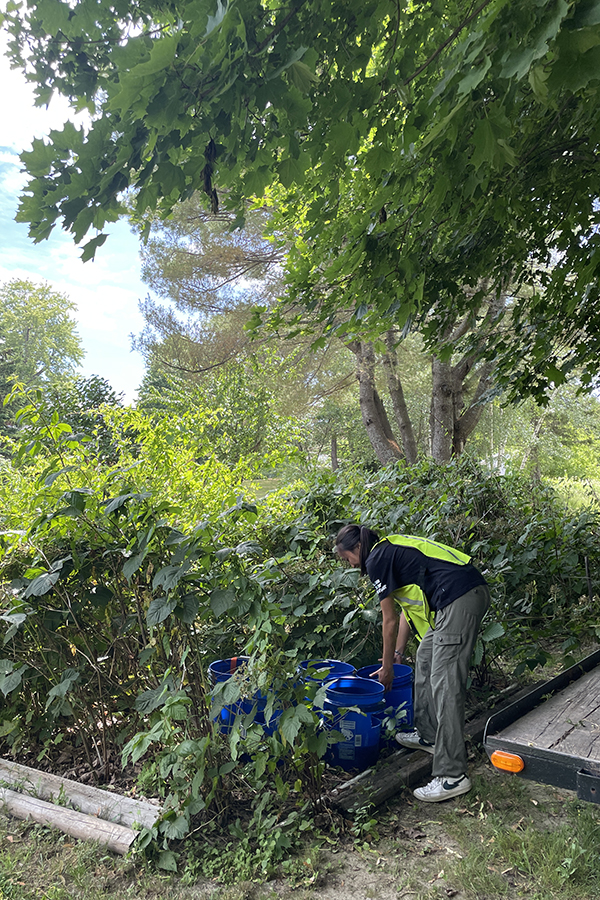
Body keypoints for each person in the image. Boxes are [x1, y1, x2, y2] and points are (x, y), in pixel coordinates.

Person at [336, 524, 490, 803]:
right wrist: (396, 653)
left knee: (446, 683)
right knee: (426, 658)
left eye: (348, 558)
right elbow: (408, 609)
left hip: (458, 599)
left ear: (358, 548)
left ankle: (452, 775)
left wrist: (387, 669)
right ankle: (429, 735)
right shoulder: (389, 552)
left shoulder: (376, 559)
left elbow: (389, 620)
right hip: (452, 600)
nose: (350, 564)